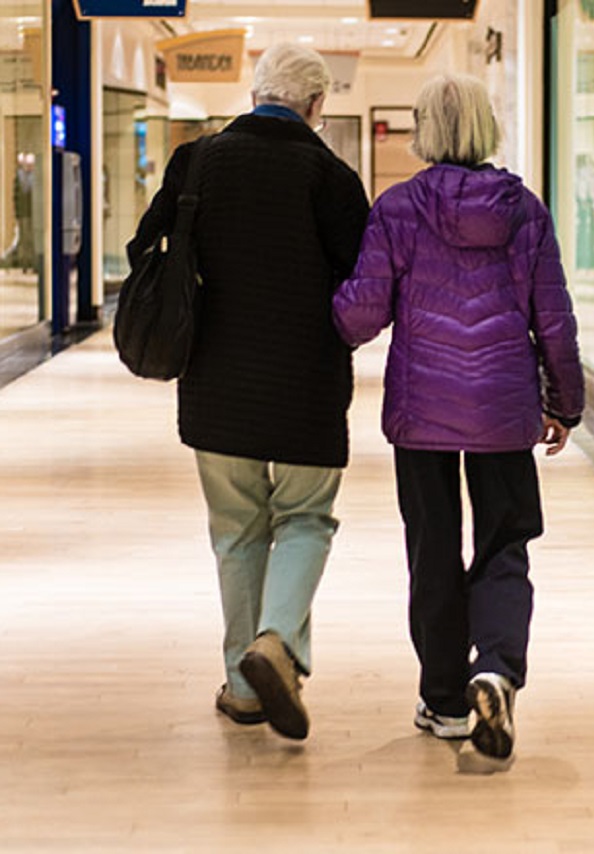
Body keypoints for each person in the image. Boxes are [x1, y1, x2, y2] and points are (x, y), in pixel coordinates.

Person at [333, 74, 584, 762]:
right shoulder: (524, 210)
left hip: (423, 411)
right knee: (506, 540)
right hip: (504, 410)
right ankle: (496, 668)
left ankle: (443, 701)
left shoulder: (398, 209)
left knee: (433, 548)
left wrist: (319, 308)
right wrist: (564, 402)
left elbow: (361, 313)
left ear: (424, 131)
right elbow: (553, 318)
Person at [127, 43, 370, 740]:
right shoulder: (330, 175)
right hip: (306, 385)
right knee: (304, 520)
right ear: (317, 106)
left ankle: (243, 685)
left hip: (217, 386)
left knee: (236, 533)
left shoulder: (198, 161)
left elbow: (142, 248)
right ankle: (277, 644)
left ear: (255, 90)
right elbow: (360, 285)